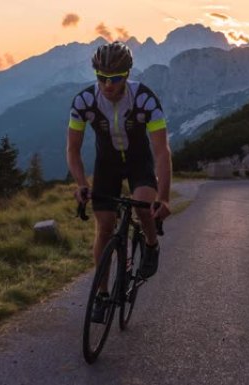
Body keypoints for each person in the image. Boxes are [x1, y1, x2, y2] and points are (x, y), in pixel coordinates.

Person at [66, 41, 172, 323]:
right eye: (101, 78)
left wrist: (164, 197)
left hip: (140, 162)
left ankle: (151, 244)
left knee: (143, 207)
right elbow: (73, 149)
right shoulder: (84, 102)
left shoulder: (146, 99)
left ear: (127, 75)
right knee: (104, 228)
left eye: (114, 79)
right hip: (107, 165)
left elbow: (161, 152)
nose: (107, 85)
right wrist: (80, 183)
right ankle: (102, 295)